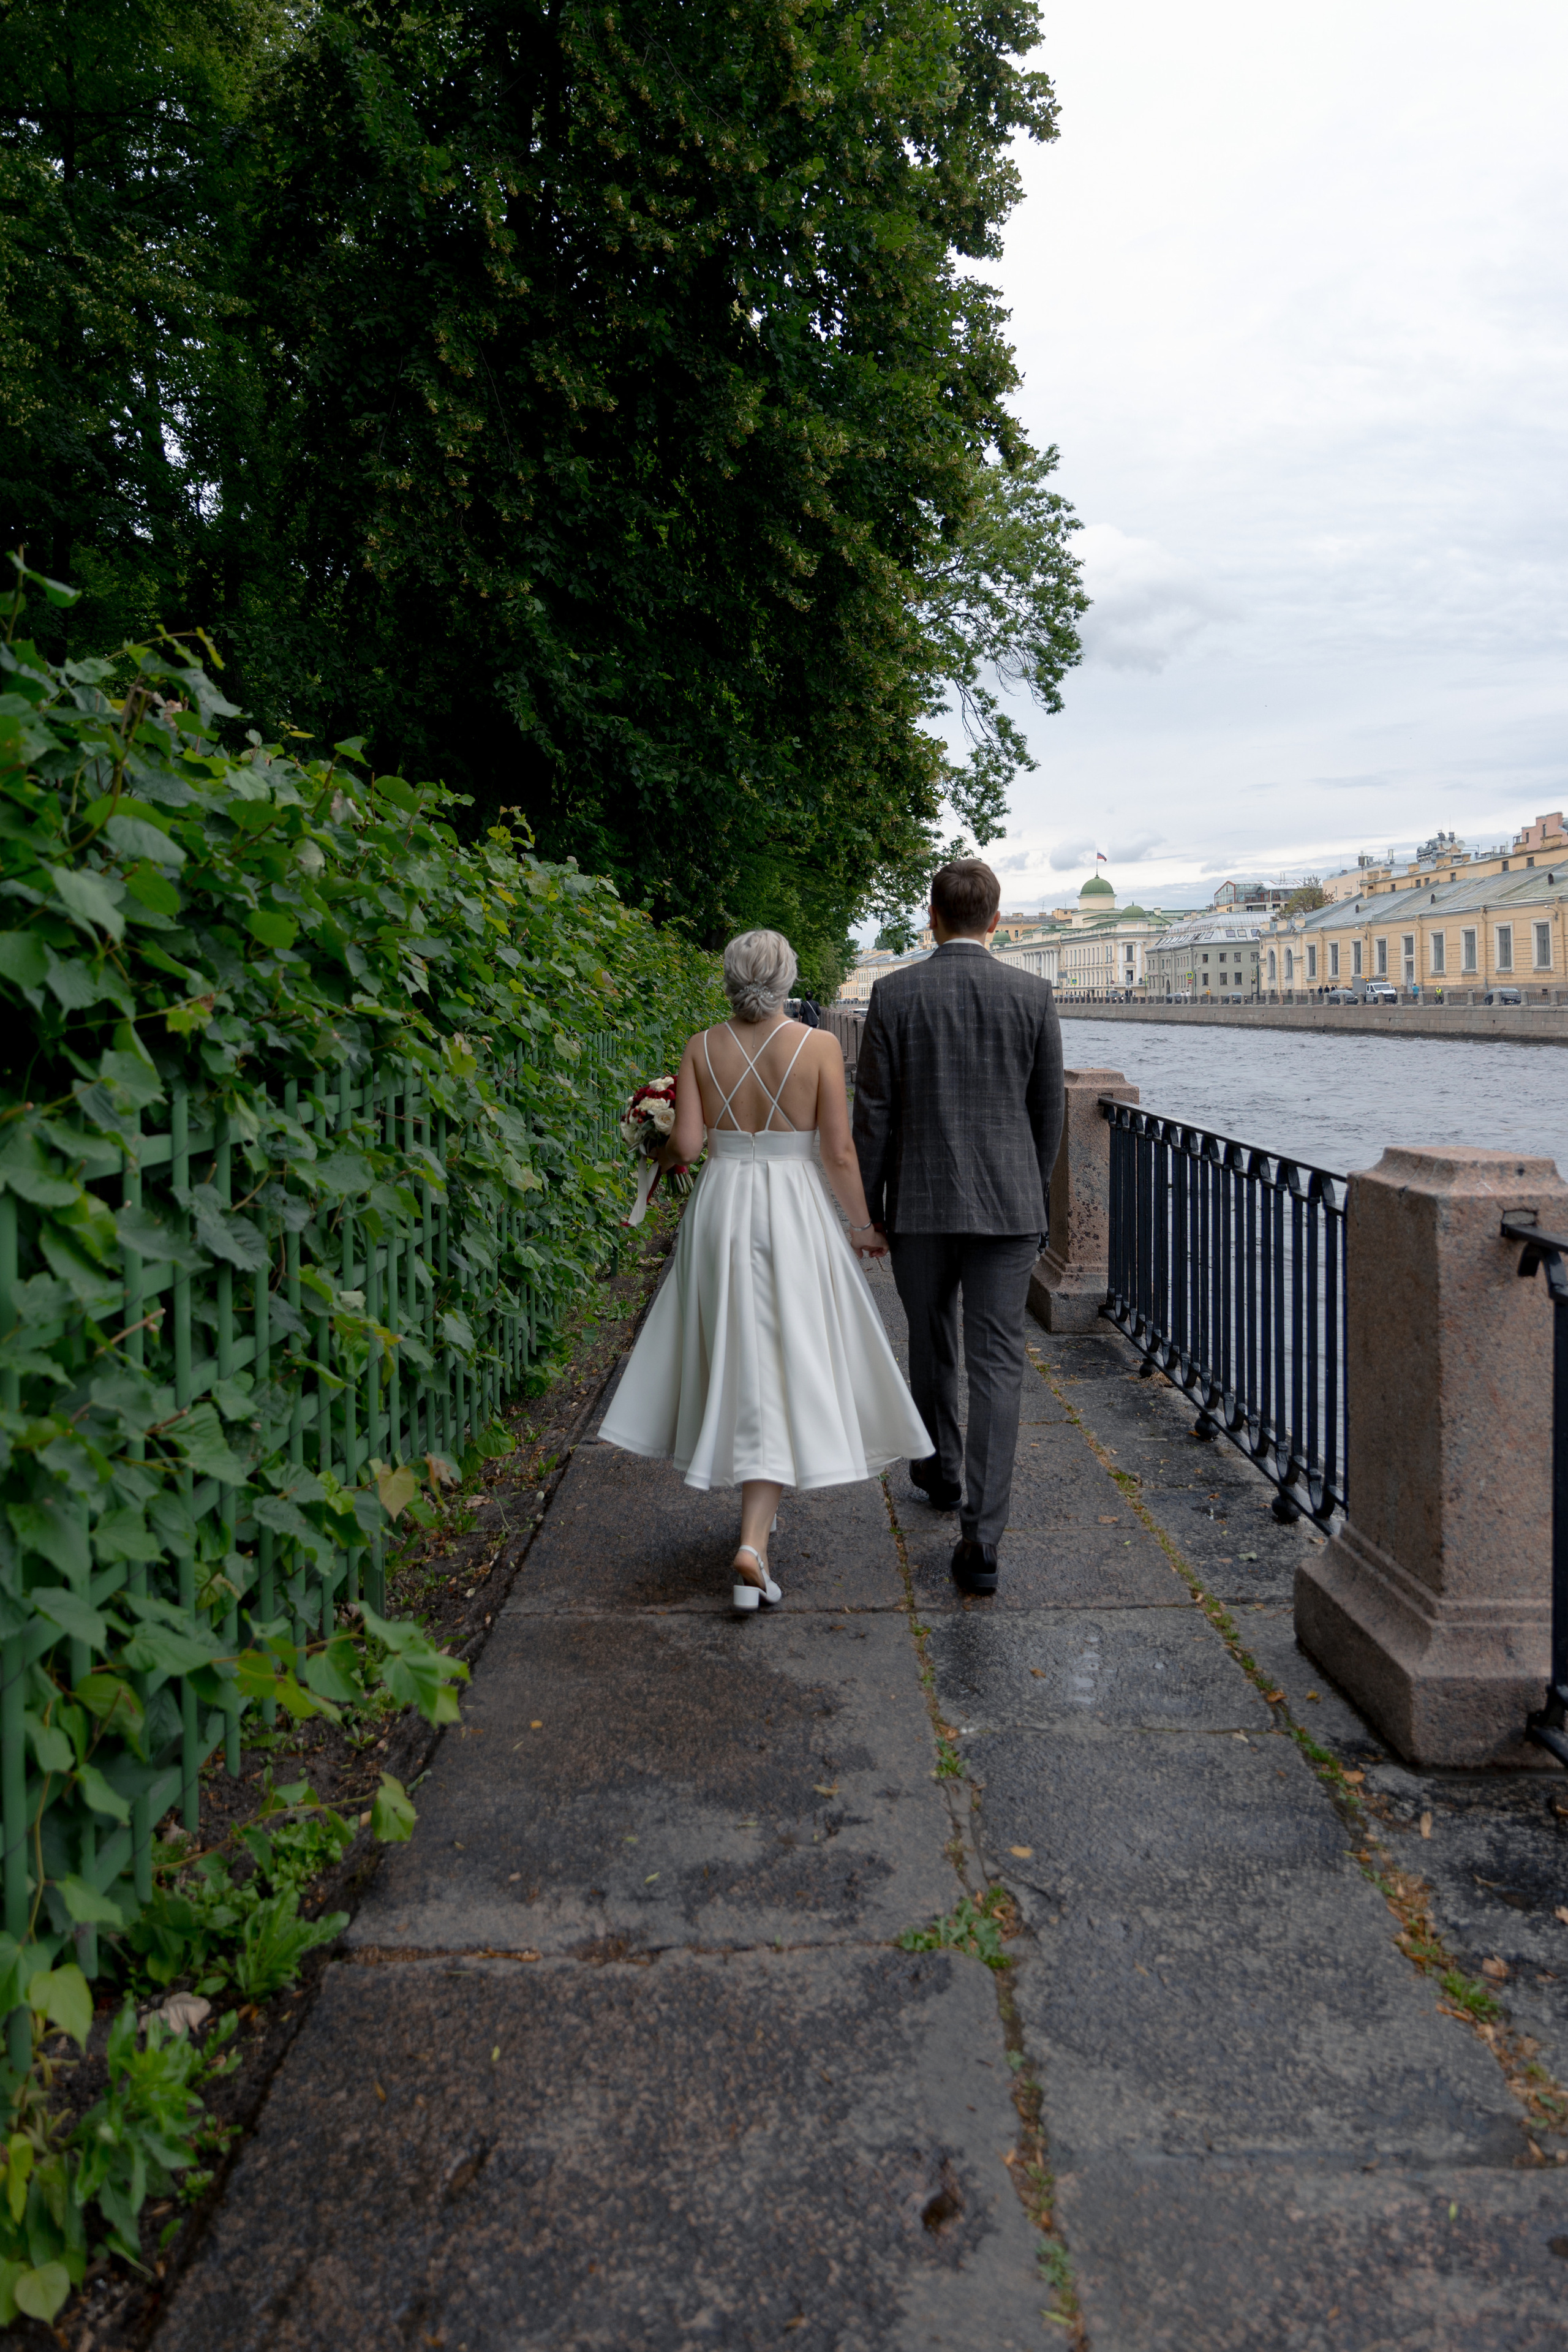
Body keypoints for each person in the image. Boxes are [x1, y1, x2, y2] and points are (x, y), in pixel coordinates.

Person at [599, 929, 930, 1610]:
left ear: (728, 978)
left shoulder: (701, 1046)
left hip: (723, 1207)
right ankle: (752, 1544)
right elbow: (837, 1152)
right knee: (786, 1356)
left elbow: (688, 1144)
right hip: (792, 1210)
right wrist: (863, 1226)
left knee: (740, 1354)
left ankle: (756, 1525)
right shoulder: (819, 1047)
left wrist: (653, 1154)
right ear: (787, 979)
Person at [852, 860, 1064, 1596]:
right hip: (1008, 1211)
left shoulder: (893, 993)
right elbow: (1049, 1116)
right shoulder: (1033, 996)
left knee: (931, 1339)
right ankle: (983, 1538)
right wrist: (1027, 1198)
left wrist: (870, 1209)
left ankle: (941, 1472)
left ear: (932, 918)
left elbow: (872, 1114)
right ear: (995, 922)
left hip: (919, 1202)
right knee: (998, 1362)